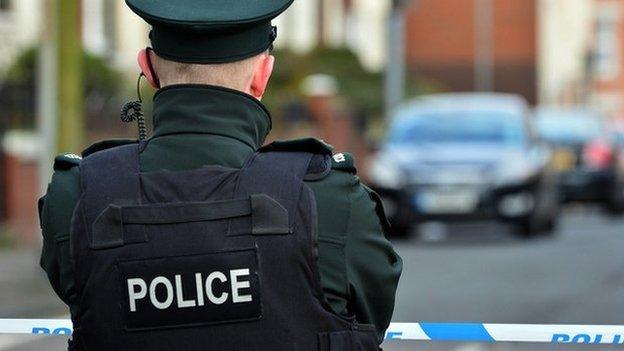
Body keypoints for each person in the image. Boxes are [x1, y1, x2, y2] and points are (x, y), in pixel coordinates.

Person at [38, 1, 402, 350]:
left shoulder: (76, 196)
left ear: (147, 69)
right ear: (262, 76)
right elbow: (372, 316)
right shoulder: (329, 197)